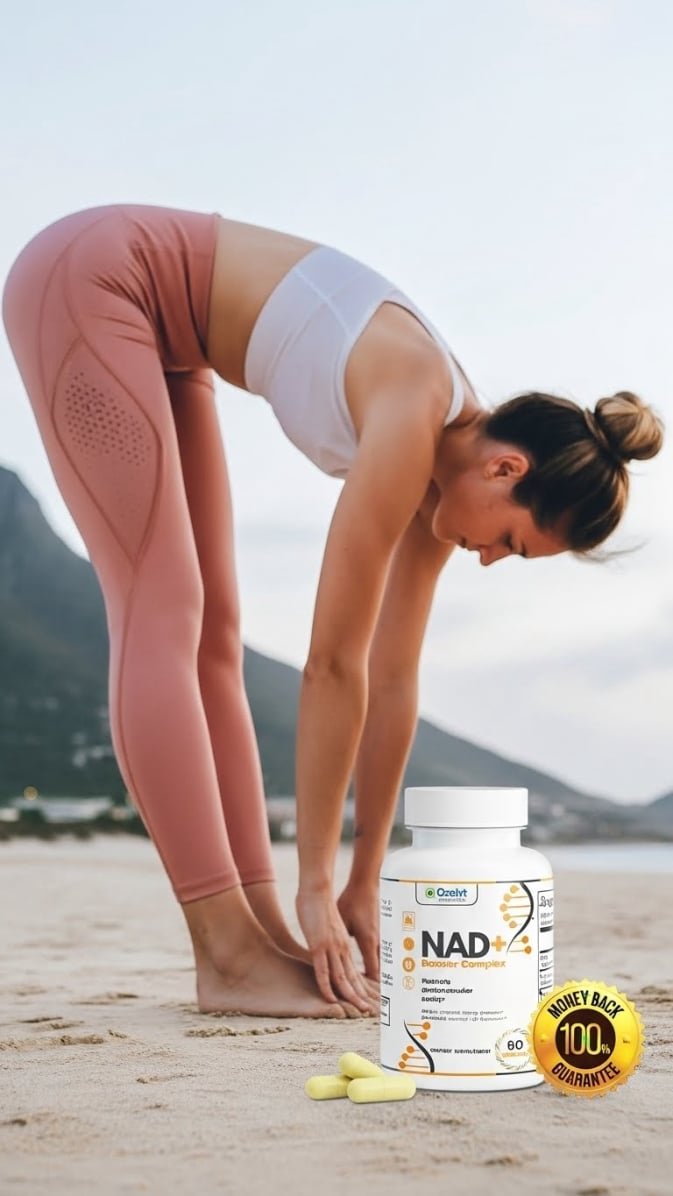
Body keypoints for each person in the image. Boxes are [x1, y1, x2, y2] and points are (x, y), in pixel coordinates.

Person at [2, 205, 663, 1020]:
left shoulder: (443, 480)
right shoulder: (413, 410)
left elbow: (390, 683)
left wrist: (359, 882)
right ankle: (226, 952)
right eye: (513, 545)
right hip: (93, 281)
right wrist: (314, 876)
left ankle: (262, 935)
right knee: (162, 606)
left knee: (215, 635)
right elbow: (332, 664)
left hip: (172, 344)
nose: (489, 560)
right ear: (504, 468)